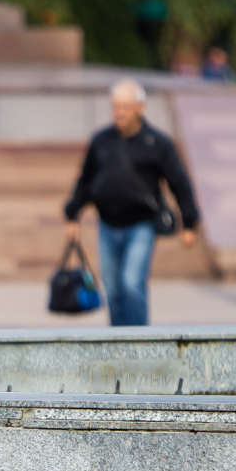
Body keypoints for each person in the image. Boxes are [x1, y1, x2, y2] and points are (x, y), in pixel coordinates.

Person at [64, 79, 200, 326]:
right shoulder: (101, 140)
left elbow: (179, 182)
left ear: (140, 108)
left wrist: (189, 223)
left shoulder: (157, 143)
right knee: (113, 290)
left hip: (141, 226)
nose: (120, 112)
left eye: (126, 106)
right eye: (116, 106)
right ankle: (120, 343)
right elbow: (85, 180)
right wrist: (73, 214)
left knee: (131, 283)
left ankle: (140, 344)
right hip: (107, 225)